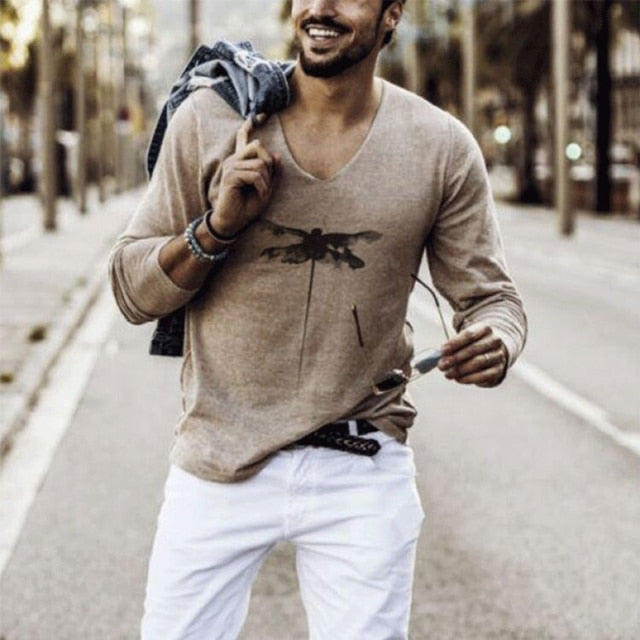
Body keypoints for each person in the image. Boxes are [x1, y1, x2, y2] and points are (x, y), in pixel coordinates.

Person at [109, 0, 527, 638]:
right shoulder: (214, 119)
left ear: (392, 14)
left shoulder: (440, 147)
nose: (321, 8)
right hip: (219, 459)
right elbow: (131, 290)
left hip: (361, 463)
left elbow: (493, 298)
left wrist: (496, 341)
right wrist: (216, 228)